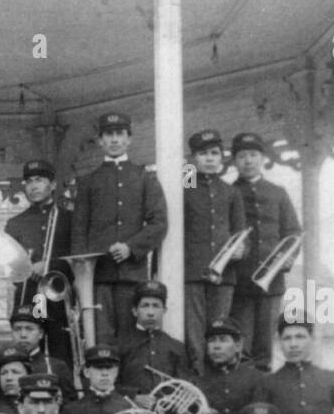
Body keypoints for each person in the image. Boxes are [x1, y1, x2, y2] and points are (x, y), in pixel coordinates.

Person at [69, 111, 168, 343]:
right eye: (108, 135)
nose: (114, 140)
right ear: (101, 141)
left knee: (130, 337)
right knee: (100, 337)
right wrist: (81, 275)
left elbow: (159, 222)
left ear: (129, 139)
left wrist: (131, 247)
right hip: (98, 275)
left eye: (119, 134)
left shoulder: (144, 177)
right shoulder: (87, 181)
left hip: (132, 273)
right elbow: (78, 230)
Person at [230, 131, 302, 371]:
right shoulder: (230, 193)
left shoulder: (277, 192)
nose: (248, 161)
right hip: (240, 281)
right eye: (241, 156)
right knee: (241, 345)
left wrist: (284, 262)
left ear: (262, 158)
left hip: (272, 283)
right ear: (234, 161)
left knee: (265, 347)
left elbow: (293, 233)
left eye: (253, 155)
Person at [183, 129, 246, 374]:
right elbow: (179, 191)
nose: (209, 158)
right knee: (195, 333)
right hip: (193, 271)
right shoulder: (187, 183)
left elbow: (240, 231)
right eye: (203, 154)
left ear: (222, 157)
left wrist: (242, 249)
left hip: (224, 275)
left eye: (214, 153)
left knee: (219, 331)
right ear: (194, 158)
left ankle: (219, 377)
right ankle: (199, 378)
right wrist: (186, 169)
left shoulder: (231, 191)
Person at [5, 158, 74, 362]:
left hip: (61, 297)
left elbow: (77, 259)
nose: (33, 186)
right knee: (33, 354)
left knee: (61, 353)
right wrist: (25, 268)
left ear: (52, 185)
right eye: (29, 181)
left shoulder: (69, 219)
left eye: (40, 180)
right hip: (32, 297)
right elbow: (10, 268)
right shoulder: (15, 223)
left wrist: (49, 265)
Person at [182, 319, 266, 414]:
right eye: (212, 340)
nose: (216, 346)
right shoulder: (197, 383)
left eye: (223, 340)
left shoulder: (255, 379)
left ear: (238, 346)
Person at [0, 302, 77, 404]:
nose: (23, 335)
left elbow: (70, 406)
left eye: (29, 329)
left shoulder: (57, 367)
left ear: (40, 333)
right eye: (18, 329)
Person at [116, 279, 193, 398]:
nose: (151, 312)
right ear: (135, 311)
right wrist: (133, 396)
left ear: (164, 310)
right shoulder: (120, 345)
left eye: (156, 306)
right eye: (145, 306)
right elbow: (110, 385)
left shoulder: (176, 347)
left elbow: (183, 386)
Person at [61, 345, 134, 414]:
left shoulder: (128, 407)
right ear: (86, 372)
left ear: (117, 372)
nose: (105, 373)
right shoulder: (71, 411)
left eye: (110, 368)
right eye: (98, 368)